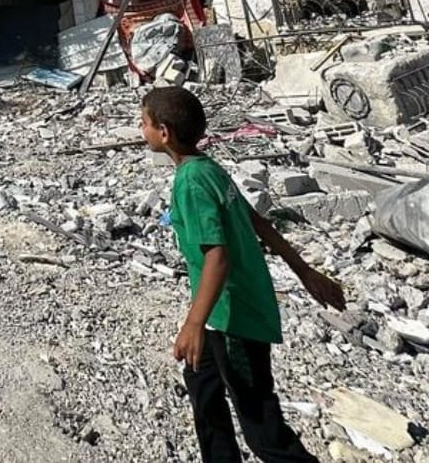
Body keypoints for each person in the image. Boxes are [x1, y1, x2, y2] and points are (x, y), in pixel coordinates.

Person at [141, 86, 346, 462]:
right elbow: (256, 222)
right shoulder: (208, 168)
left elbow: (217, 258)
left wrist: (193, 323)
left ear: (164, 132)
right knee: (202, 388)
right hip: (221, 314)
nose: (142, 130)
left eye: (145, 123)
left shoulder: (191, 182)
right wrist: (304, 271)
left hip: (233, 319)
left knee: (261, 425)